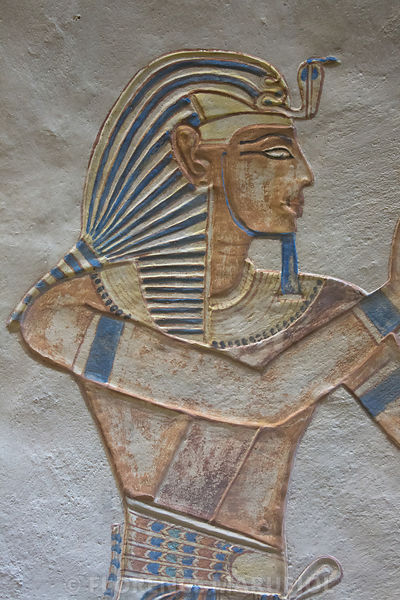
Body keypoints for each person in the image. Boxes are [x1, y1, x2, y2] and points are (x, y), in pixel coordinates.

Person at [9, 50, 400, 600]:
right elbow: (260, 398)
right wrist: (391, 303)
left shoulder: (333, 313)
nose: (305, 174)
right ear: (194, 157)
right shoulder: (65, 315)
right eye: (276, 151)